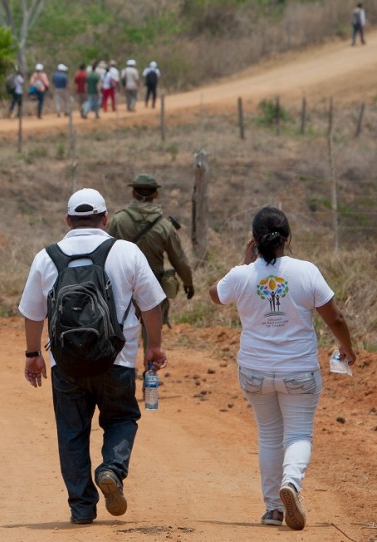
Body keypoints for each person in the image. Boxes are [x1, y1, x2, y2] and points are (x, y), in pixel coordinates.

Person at [19, 188, 167, 525]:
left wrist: (32, 354)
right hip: (117, 359)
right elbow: (152, 305)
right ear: (106, 218)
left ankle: (82, 508)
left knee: (71, 431)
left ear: (68, 220)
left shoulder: (47, 256)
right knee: (121, 418)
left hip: (65, 363)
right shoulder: (126, 252)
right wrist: (154, 347)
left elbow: (32, 312)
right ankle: (111, 468)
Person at [207, 206, 356, 531]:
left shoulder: (242, 275)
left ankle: (273, 509)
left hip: (255, 372)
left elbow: (214, 295)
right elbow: (336, 318)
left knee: (270, 435)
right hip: (299, 371)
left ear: (254, 240)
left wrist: (245, 264)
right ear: (287, 238)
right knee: (299, 433)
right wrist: (346, 347)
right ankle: (291, 482)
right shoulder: (306, 271)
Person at [107, 173, 194, 342]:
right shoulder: (164, 225)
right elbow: (179, 259)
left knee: (120, 327)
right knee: (151, 328)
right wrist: (188, 283)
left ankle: (124, 367)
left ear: (133, 193)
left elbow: (105, 253)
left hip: (122, 284)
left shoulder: (118, 220)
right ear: (155, 194)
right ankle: (151, 366)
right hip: (152, 285)